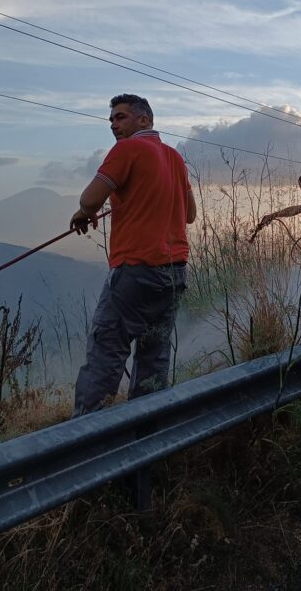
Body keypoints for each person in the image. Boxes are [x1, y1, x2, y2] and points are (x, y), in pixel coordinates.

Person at [70, 94, 196, 416]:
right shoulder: (175, 159)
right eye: (111, 119)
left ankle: (83, 441)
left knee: (105, 354)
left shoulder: (126, 150)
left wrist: (85, 212)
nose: (114, 124)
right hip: (174, 273)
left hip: (136, 271)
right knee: (153, 362)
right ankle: (144, 444)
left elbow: (89, 200)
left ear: (144, 120)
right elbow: (190, 214)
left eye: (121, 117)